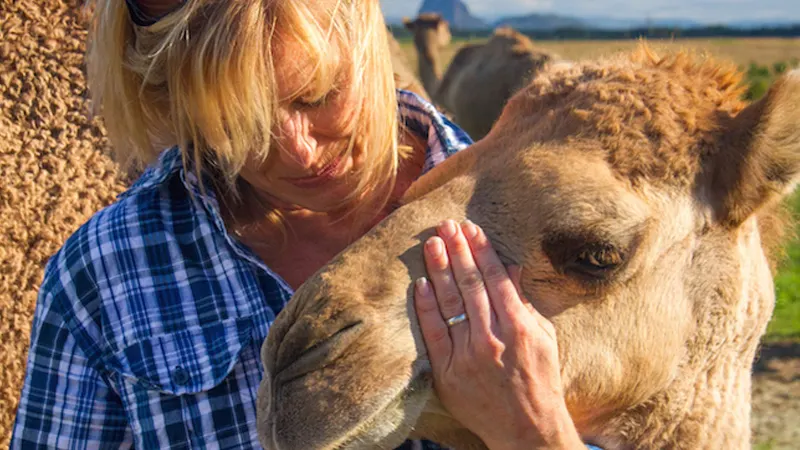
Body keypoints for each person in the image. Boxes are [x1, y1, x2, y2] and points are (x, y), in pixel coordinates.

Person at [10, 0, 592, 448]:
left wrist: (538, 434)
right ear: (173, 106)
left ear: (362, 27)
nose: (299, 152)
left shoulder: (571, 241)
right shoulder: (106, 277)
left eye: (319, 94)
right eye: (240, 122)